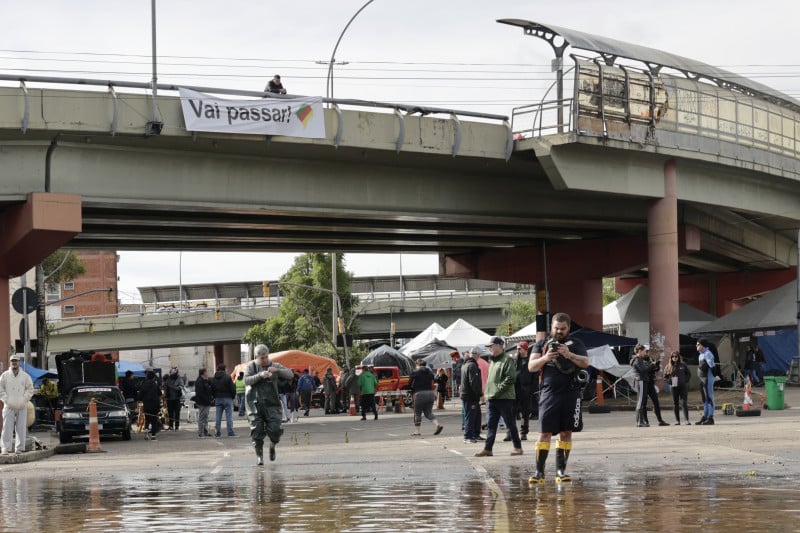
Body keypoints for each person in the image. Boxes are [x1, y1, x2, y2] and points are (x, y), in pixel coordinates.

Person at [528, 312, 589, 484]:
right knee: (544, 433)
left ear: (568, 328)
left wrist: (570, 355)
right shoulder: (541, 344)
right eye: (556, 328)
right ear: (551, 327)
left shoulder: (576, 343)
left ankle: (561, 472)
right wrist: (546, 357)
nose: (559, 331)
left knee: (566, 432)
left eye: (563, 328)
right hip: (549, 394)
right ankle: (539, 472)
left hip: (571, 394)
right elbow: (531, 367)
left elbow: (585, 362)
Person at [244, 344, 293, 464]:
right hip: (254, 405)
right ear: (256, 357)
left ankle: (273, 444)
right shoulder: (251, 367)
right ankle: (259, 456)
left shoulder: (274, 365)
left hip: (272, 404)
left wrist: (278, 371)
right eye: (262, 358)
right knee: (256, 431)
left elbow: (290, 374)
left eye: (266, 357)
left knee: (276, 429)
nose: (265, 360)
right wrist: (260, 375)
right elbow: (246, 380)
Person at [475, 336, 523, 458]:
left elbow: (511, 378)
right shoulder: (493, 361)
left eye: (491, 346)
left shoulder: (507, 359)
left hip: (504, 398)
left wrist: (497, 390)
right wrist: (487, 394)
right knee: (491, 425)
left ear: (499, 346)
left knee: (510, 424)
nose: (489, 349)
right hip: (492, 398)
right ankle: (488, 449)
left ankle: (517, 447)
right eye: (489, 347)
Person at [0, 354, 34, 455]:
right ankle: (5, 448)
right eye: (12, 361)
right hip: (9, 405)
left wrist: (24, 400)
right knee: (7, 428)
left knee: (21, 428)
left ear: (19, 362)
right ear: (10, 362)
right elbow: (0, 389)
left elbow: (30, 389)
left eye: (16, 361)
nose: (14, 363)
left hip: (22, 405)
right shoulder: (5, 375)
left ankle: (19, 448)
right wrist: (6, 400)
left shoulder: (25, 376)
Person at [630, 344, 669, 427]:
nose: (646, 353)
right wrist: (652, 365)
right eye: (645, 351)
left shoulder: (643, 359)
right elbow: (643, 370)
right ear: (640, 351)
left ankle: (645, 421)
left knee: (646, 402)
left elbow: (652, 369)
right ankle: (641, 421)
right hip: (642, 381)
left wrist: (655, 364)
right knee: (641, 402)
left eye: (647, 351)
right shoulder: (638, 360)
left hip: (647, 382)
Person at [505, 341, 537, 442]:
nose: (517, 350)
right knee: (511, 413)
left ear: (525, 349)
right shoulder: (514, 361)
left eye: (520, 348)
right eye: (517, 348)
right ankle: (510, 433)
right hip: (514, 390)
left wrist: (532, 390)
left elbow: (535, 377)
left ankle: (523, 433)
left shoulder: (531, 361)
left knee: (525, 413)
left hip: (526, 391)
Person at [408, 359, 443, 436]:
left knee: (417, 413)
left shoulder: (414, 372)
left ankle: (417, 431)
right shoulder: (430, 372)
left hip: (419, 394)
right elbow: (436, 380)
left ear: (417, 365)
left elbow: (409, 384)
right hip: (430, 394)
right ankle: (437, 424)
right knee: (428, 413)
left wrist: (410, 389)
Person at [461, 346, 483, 443]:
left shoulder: (466, 364)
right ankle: (468, 436)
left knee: (476, 416)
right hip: (471, 395)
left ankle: (475, 434)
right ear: (477, 355)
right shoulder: (472, 366)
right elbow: (474, 382)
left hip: (468, 394)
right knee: (471, 416)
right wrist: (479, 393)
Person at [663, 351, 691, 425]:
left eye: (676, 356)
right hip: (674, 387)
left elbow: (688, 374)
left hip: (683, 387)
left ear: (678, 357)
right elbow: (665, 377)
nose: (674, 358)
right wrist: (669, 382)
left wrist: (685, 381)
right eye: (673, 357)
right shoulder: (668, 366)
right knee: (675, 403)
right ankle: (677, 421)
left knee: (684, 403)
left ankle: (687, 420)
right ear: (671, 358)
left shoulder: (683, 365)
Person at [211, 363, 237, 437]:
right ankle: (230, 432)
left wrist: (215, 396)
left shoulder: (214, 378)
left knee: (218, 417)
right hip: (227, 398)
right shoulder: (228, 377)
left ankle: (217, 433)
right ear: (224, 369)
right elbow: (232, 388)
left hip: (218, 398)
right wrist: (232, 397)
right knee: (229, 417)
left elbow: (212, 389)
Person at [696, 339, 717, 425]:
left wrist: (716, 376)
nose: (696, 346)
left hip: (708, 378)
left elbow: (712, 366)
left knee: (709, 397)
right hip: (702, 378)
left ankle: (710, 417)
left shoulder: (708, 353)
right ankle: (705, 416)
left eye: (698, 344)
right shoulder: (700, 355)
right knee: (704, 398)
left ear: (703, 345)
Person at [137, 369, 162, 440]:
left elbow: (140, 396)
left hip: (147, 405)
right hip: (155, 405)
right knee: (154, 420)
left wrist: (142, 399)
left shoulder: (144, 385)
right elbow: (160, 393)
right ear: (153, 377)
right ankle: (153, 436)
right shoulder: (155, 384)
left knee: (147, 419)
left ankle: (146, 433)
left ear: (147, 377)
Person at [194, 367, 214, 437]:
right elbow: (201, 393)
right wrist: (207, 400)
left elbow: (209, 388)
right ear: (204, 373)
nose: (207, 373)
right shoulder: (200, 381)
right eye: (206, 372)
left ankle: (205, 431)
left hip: (206, 402)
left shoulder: (205, 380)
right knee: (202, 417)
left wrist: (207, 381)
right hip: (203, 402)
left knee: (205, 417)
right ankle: (201, 432)